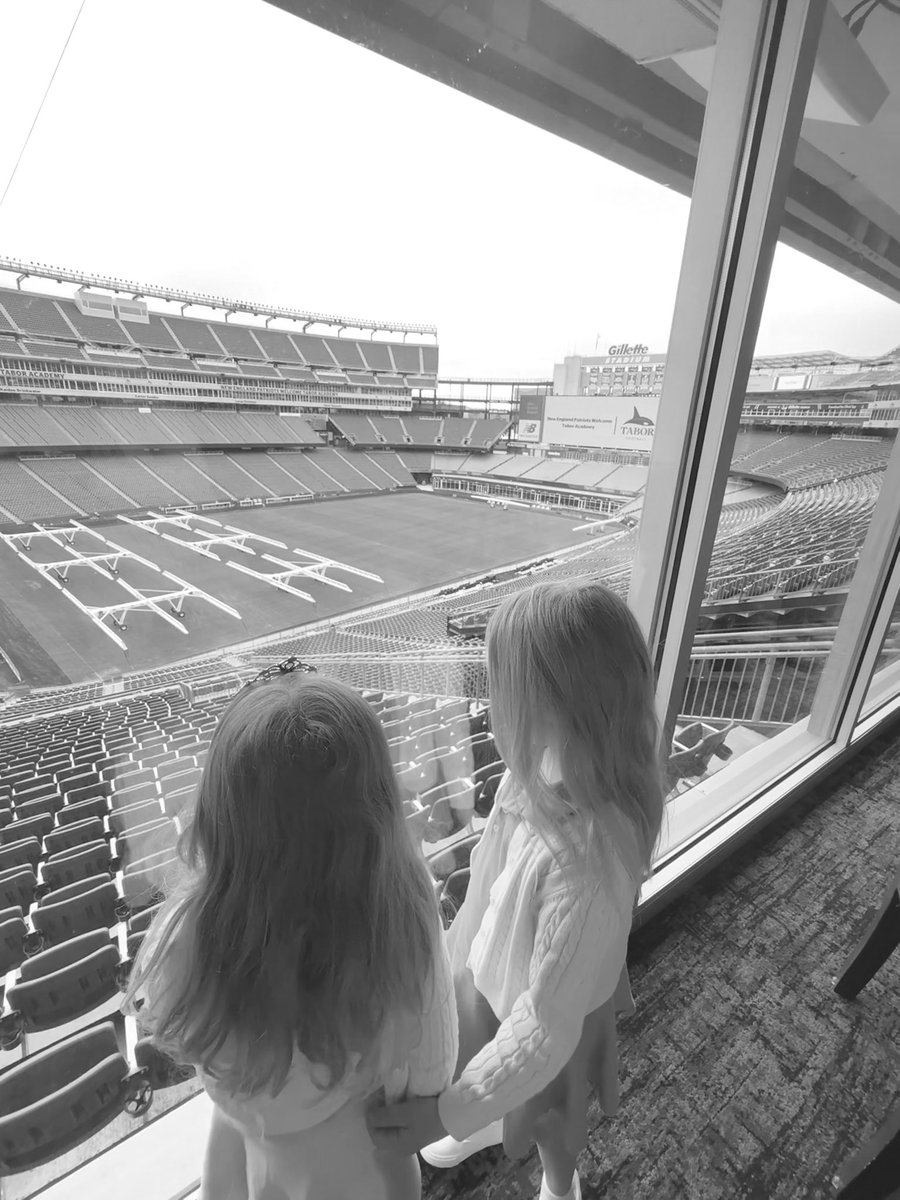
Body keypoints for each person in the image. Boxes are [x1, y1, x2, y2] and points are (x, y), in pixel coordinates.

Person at [368, 582, 666, 1200]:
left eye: (501, 688)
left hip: (553, 1012)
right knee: (496, 1054)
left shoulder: (587, 867)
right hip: (515, 972)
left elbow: (544, 1031)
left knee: (554, 1114)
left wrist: (443, 1114)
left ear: (549, 708)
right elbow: (493, 870)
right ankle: (490, 1115)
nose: (490, 705)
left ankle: (560, 1185)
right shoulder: (544, 765)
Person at [124, 667, 457, 1200]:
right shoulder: (406, 905)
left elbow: (211, 1069)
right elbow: (433, 1073)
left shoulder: (190, 926)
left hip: (250, 1160)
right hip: (370, 1163)